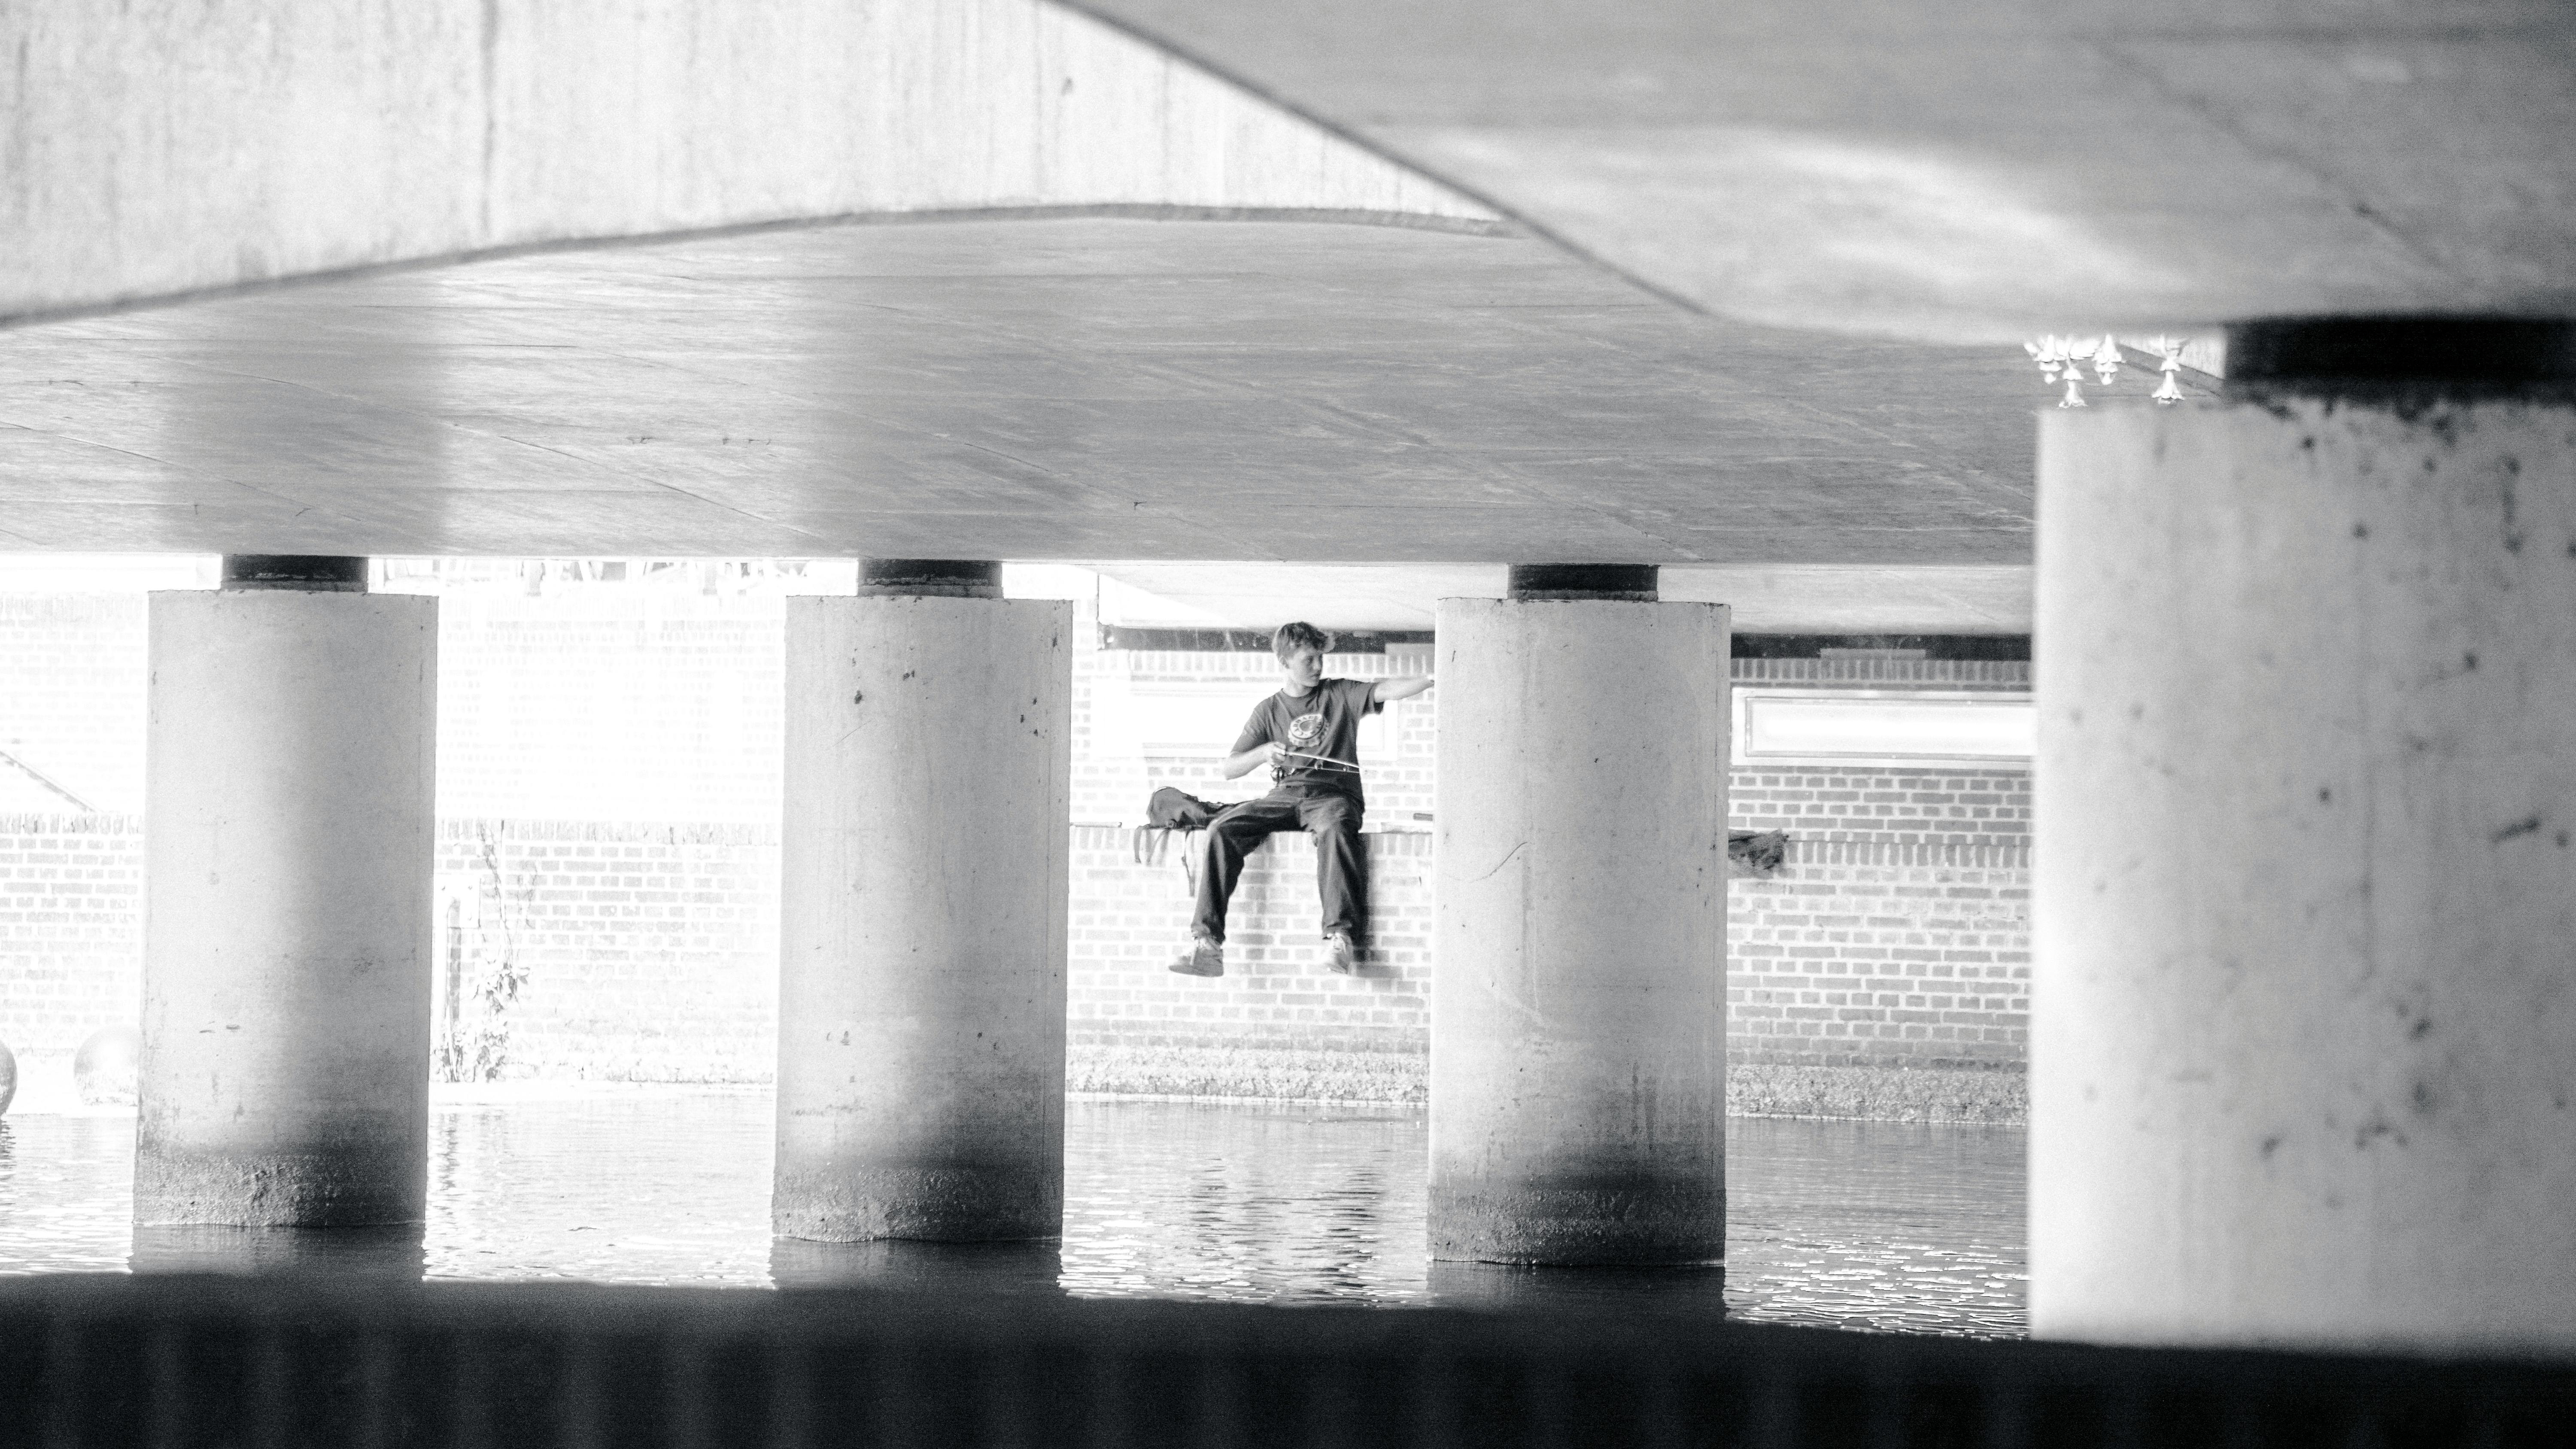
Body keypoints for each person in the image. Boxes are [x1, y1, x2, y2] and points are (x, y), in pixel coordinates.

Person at [1172, 622, 1434, 978]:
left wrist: (1433, 679)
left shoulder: (1339, 693)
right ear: (1285, 662)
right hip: (1285, 795)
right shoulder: (1268, 710)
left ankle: (1340, 938)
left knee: (1337, 829)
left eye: (1320, 658)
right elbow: (1229, 768)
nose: (1318, 666)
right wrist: (1263, 752)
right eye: (1309, 660)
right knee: (1221, 828)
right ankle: (1207, 944)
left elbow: (1386, 689)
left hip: (1333, 795)